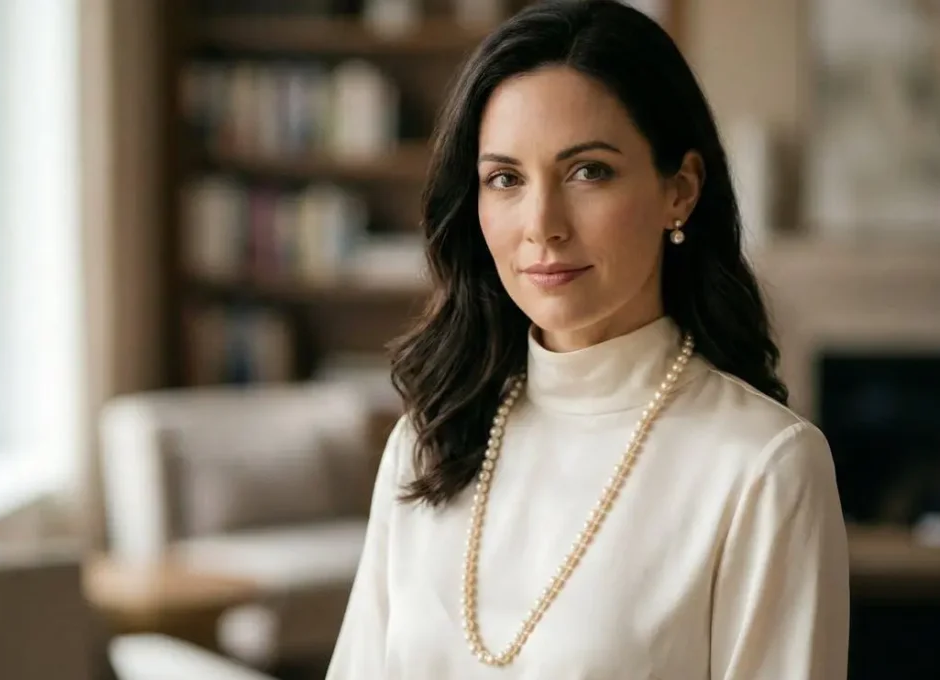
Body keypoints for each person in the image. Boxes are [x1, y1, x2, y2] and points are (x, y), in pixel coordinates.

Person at [325, 0, 850, 678]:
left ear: (680, 191)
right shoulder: (429, 441)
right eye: (506, 179)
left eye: (588, 171)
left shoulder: (764, 468)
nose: (542, 223)